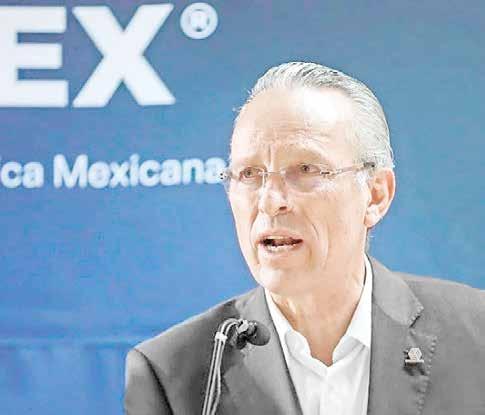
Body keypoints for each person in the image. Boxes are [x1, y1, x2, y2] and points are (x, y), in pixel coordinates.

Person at [124, 62, 485, 415]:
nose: (270, 201)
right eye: (249, 174)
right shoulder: (170, 375)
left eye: (306, 170)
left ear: (376, 194)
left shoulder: (475, 335)